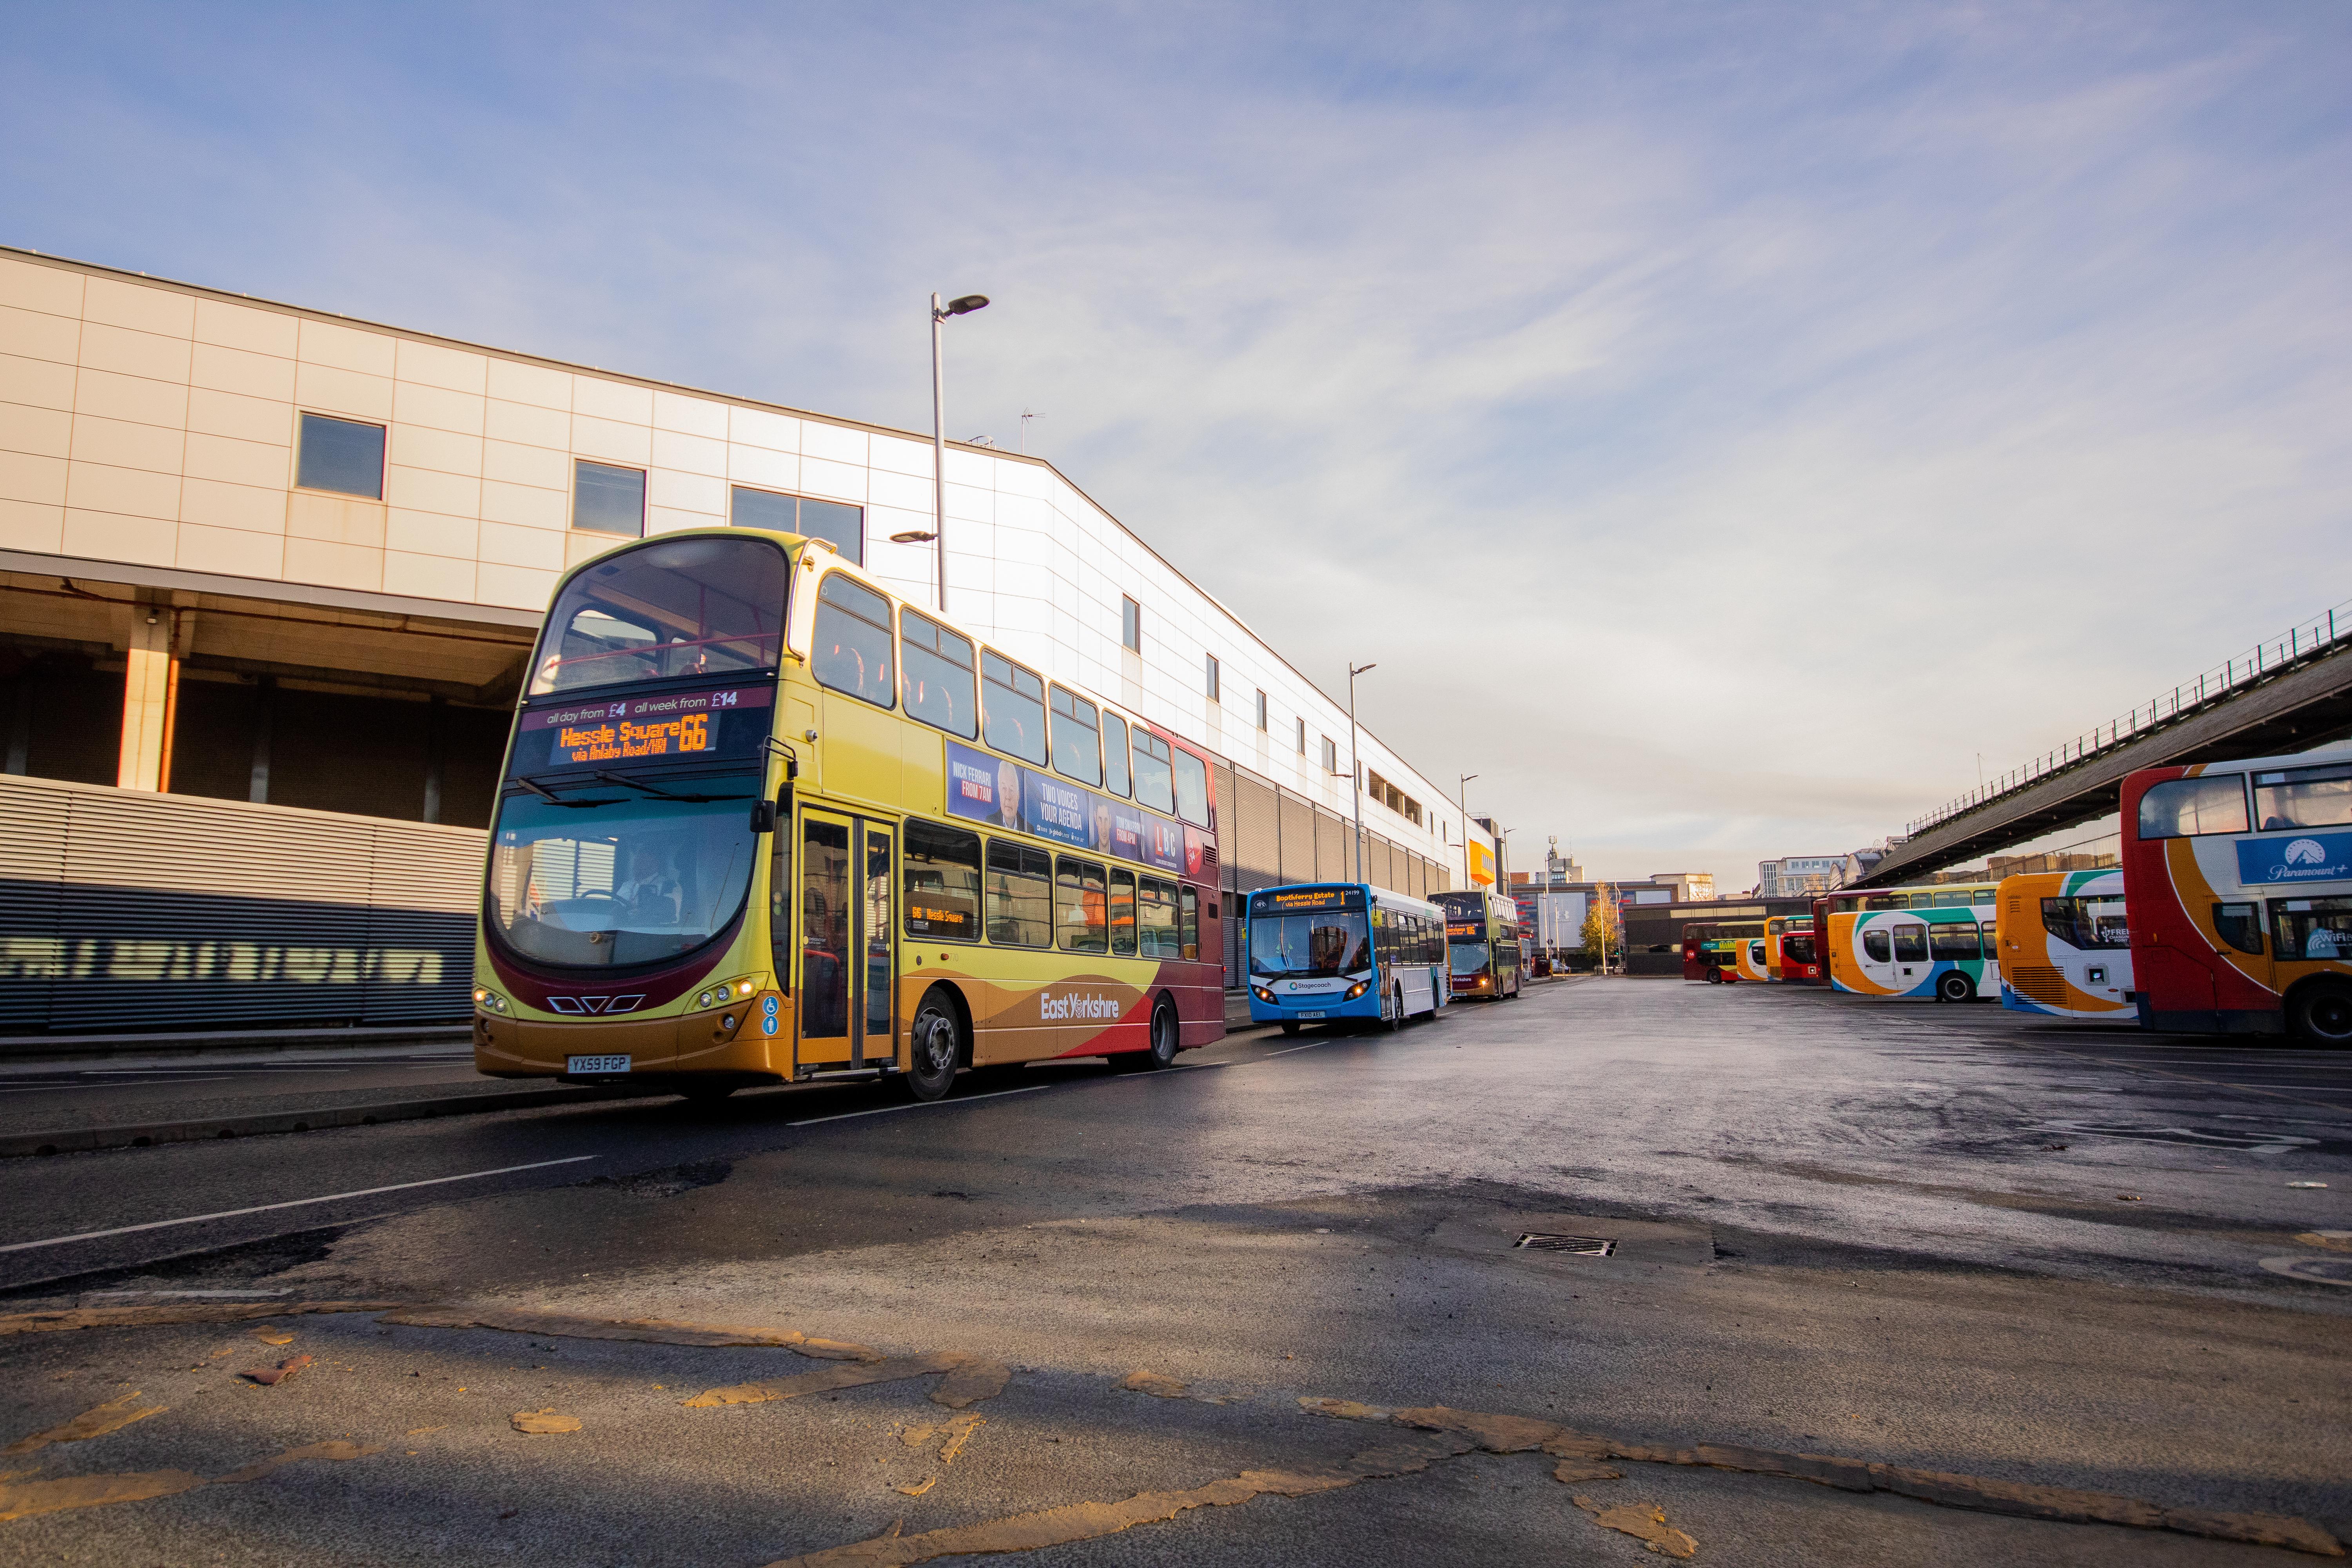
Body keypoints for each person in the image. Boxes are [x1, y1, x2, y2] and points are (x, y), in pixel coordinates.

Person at [615, 849, 682, 925]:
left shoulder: (670, 886)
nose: (635, 866)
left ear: (655, 865)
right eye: (636, 862)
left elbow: (672, 920)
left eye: (641, 862)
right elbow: (616, 908)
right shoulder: (627, 885)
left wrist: (643, 914)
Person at [994, 759, 1025, 831]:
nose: (1008, 797)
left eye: (1011, 790)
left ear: (1018, 796)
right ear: (999, 791)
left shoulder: (1028, 828)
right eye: (1004, 788)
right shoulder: (990, 821)